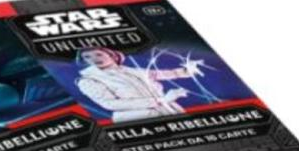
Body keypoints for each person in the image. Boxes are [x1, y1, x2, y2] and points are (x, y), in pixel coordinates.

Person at [74, 47, 206, 122]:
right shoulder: (87, 81)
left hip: (169, 111)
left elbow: (159, 74)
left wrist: (187, 70)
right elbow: (109, 104)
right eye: (87, 57)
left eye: (99, 54)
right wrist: (162, 100)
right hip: (137, 119)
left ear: (112, 55)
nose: (95, 59)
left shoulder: (129, 70)